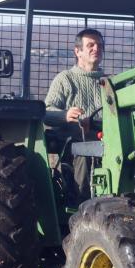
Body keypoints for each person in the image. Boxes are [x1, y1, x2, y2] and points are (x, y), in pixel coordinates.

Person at [45, 28, 105, 202]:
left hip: (106, 141)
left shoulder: (108, 83)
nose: (96, 48)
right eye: (91, 45)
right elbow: (47, 111)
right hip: (74, 145)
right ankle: (83, 206)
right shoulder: (65, 79)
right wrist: (65, 115)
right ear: (77, 51)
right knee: (85, 151)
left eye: (99, 45)